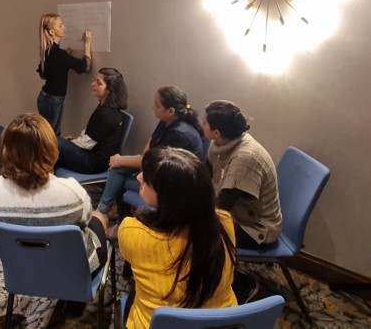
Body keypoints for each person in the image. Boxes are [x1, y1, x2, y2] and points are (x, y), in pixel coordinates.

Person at [119, 148, 237, 329]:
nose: (139, 177)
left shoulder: (132, 231)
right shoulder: (225, 222)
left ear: (167, 196)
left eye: (147, 179)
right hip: (220, 323)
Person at [0, 113, 108, 274]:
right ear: (51, 149)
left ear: (5, 151)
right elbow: (86, 221)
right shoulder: (72, 194)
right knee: (99, 218)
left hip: (21, 270)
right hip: (70, 272)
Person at [94, 85, 204, 216]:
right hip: (156, 168)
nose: (153, 108)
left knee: (119, 176)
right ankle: (106, 212)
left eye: (157, 105)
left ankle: (104, 213)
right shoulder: (167, 120)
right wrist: (141, 162)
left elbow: (156, 163)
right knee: (117, 168)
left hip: (172, 185)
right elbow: (151, 142)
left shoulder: (179, 134)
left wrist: (120, 160)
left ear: (170, 111)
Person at [203, 100, 282, 248]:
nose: (202, 125)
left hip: (255, 228)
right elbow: (204, 174)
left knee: (195, 229)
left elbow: (223, 207)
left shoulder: (245, 158)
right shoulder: (220, 143)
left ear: (216, 132)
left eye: (204, 123)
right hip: (237, 212)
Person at [56, 68, 127, 174]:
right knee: (53, 145)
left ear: (109, 89)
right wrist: (73, 141)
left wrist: (69, 143)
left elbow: (87, 143)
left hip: (95, 163)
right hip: (91, 154)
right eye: (94, 80)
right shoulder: (105, 107)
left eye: (98, 83)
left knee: (52, 142)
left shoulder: (107, 114)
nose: (93, 84)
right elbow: (92, 135)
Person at [36, 13, 92, 135]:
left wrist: (65, 58)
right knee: (49, 137)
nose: (64, 27)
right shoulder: (57, 53)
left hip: (51, 98)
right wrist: (87, 44)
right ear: (51, 32)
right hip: (51, 99)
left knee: (54, 134)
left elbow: (45, 73)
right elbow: (85, 67)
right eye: (60, 25)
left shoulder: (49, 51)